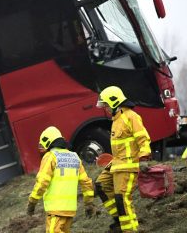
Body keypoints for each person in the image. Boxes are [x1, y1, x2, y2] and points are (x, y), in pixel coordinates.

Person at [94, 86, 151, 233]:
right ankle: (119, 220)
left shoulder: (131, 116)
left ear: (114, 102)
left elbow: (143, 139)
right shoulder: (116, 119)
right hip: (117, 164)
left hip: (128, 165)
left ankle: (129, 230)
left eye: (106, 104)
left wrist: (144, 157)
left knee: (122, 198)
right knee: (101, 185)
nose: (104, 108)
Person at [27, 126, 95, 232]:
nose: (40, 147)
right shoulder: (74, 157)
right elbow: (86, 182)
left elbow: (42, 182)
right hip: (70, 210)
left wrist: (32, 201)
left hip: (56, 210)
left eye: (41, 144)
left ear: (48, 142)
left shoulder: (50, 157)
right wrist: (89, 203)